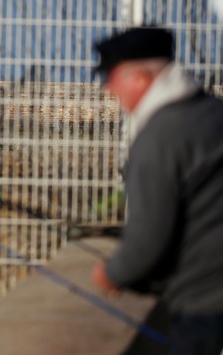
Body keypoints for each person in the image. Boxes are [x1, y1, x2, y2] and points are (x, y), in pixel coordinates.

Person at [90, 26, 223, 354]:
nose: (108, 89)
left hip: (202, 306)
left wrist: (114, 273)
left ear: (140, 77)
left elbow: (148, 239)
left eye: (112, 77)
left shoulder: (159, 137)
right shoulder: (213, 114)